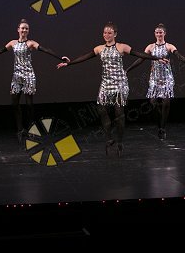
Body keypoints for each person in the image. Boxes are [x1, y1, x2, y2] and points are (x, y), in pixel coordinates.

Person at [57, 22, 167, 156]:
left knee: (119, 114)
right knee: (101, 109)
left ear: (115, 34)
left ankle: (120, 141)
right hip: (106, 83)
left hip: (120, 83)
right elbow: (84, 57)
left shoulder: (122, 47)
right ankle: (109, 139)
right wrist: (69, 63)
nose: (106, 35)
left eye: (109, 33)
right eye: (105, 33)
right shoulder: (99, 48)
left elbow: (140, 54)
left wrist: (156, 58)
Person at [0, 19, 68, 144]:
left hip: (28, 75)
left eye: (26, 28)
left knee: (29, 105)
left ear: (28, 31)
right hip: (16, 76)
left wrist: (60, 57)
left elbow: (45, 50)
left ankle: (31, 129)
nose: (24, 30)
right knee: (15, 103)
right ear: (18, 30)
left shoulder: (31, 43)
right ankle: (20, 130)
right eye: (22, 28)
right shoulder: (13, 43)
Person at [124, 23, 185, 140]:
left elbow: (178, 56)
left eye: (161, 32)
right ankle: (159, 125)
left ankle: (163, 128)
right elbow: (141, 59)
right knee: (153, 103)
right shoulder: (150, 47)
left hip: (167, 78)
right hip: (155, 78)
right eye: (157, 33)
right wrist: (127, 70)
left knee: (166, 103)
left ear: (164, 33)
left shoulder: (169, 46)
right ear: (155, 34)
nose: (159, 34)